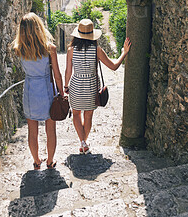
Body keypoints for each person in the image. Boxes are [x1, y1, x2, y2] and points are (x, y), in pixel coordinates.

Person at [65, 18, 131, 154]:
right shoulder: (97, 50)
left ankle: (82, 142)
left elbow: (68, 71)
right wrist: (124, 53)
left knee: (76, 114)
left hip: (76, 85)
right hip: (91, 86)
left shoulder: (71, 50)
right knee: (88, 115)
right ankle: (84, 143)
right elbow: (113, 66)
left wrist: (66, 87)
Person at [12, 12, 63, 169]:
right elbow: (57, 74)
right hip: (47, 89)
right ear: (39, 27)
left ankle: (36, 161)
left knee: (32, 130)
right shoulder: (50, 49)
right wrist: (62, 93)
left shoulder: (18, 49)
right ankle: (50, 161)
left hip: (30, 90)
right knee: (50, 129)